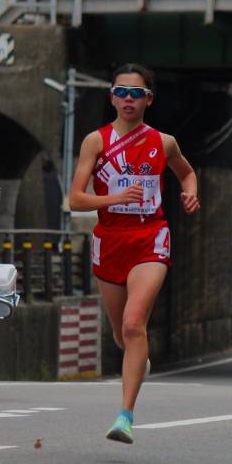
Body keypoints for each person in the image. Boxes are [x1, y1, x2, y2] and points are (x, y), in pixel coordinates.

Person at [68, 63, 200, 444]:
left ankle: (124, 416)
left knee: (133, 323)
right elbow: (76, 199)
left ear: (149, 99)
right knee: (120, 333)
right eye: (122, 92)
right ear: (111, 97)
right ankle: (136, 356)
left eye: (136, 93)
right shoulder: (96, 141)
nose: (129, 99)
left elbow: (186, 173)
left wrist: (189, 192)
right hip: (110, 239)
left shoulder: (164, 142)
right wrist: (114, 197)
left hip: (150, 237)